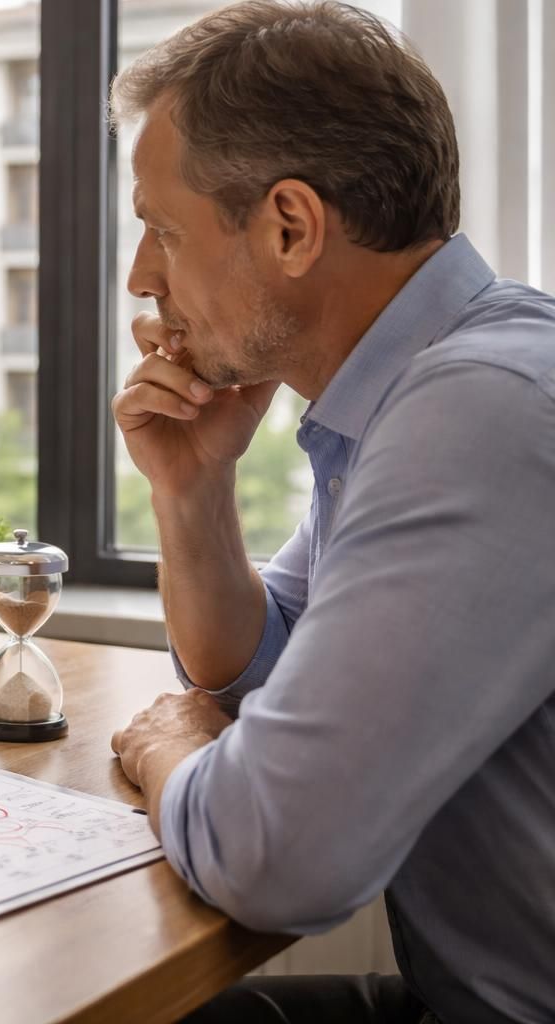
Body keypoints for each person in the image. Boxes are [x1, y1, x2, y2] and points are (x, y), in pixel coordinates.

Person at [104, 3, 555, 1022]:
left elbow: (278, 858)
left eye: (163, 230)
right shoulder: (405, 398)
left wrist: (172, 746)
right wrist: (192, 489)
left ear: (291, 227)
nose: (142, 278)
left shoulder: (481, 411)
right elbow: (256, 664)